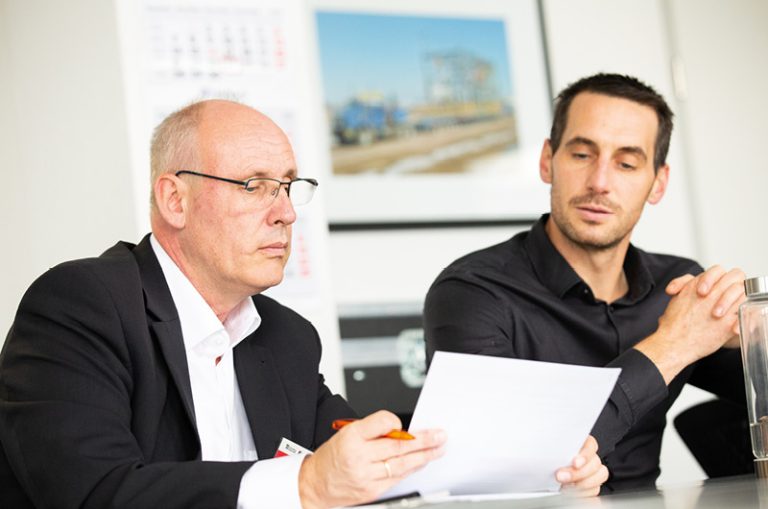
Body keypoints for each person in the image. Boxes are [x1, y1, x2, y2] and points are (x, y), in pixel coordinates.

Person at [0, 100, 605, 509]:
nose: (285, 211)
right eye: (255, 185)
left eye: (289, 186)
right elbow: (90, 493)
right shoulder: (82, 303)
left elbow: (360, 453)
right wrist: (307, 486)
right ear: (174, 199)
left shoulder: (285, 336)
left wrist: (532, 460)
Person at [423, 73, 747, 493]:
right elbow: (521, 461)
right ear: (547, 161)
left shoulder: (678, 284)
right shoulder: (471, 293)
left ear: (658, 183)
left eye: (627, 163)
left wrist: (754, 339)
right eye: (581, 155)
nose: (600, 182)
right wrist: (672, 346)